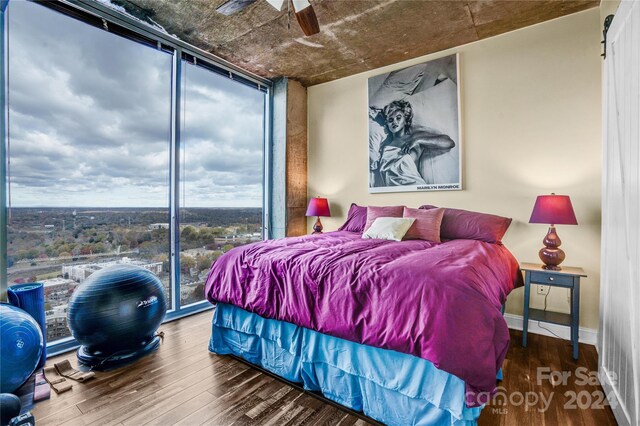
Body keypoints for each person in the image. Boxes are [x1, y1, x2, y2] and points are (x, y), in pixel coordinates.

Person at [375, 100, 454, 187]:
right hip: (392, 192)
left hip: (413, 186)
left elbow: (449, 143)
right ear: (387, 123)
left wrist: (417, 140)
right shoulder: (383, 145)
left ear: (405, 120)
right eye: (390, 119)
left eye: (398, 118)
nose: (394, 122)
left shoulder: (415, 137)